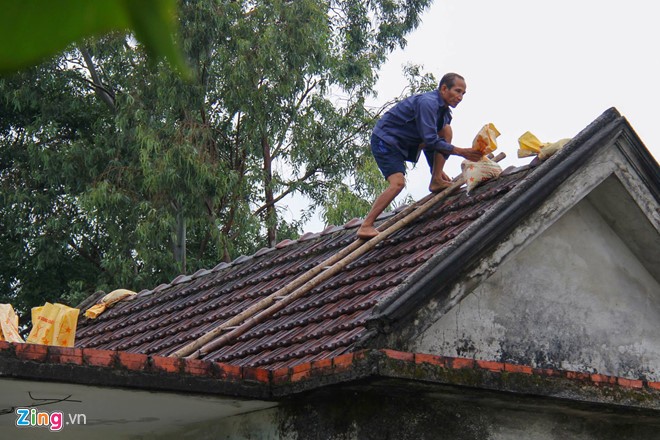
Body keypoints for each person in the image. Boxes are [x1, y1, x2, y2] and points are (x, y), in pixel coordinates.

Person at [356, 72, 483, 239]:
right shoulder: (428, 103)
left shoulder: (444, 113)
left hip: (408, 140)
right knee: (397, 184)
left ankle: (436, 180)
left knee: (445, 130)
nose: (460, 97)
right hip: (386, 140)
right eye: (457, 91)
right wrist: (462, 152)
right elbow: (430, 141)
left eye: (463, 94)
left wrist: (436, 171)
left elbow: (433, 142)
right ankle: (366, 225)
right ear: (444, 88)